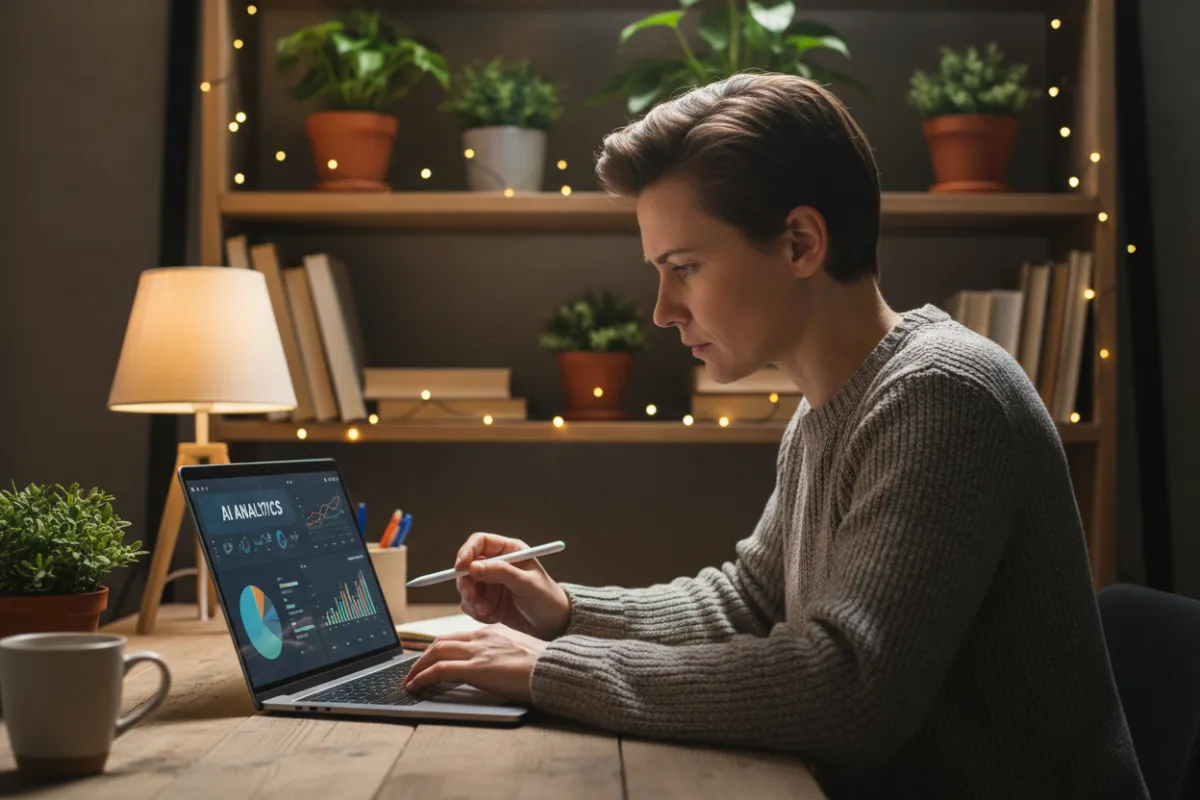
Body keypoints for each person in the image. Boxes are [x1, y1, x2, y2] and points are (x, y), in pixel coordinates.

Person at [403, 72, 1149, 798]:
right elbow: (747, 604)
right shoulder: (832, 404)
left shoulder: (941, 397)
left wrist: (548, 669)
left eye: (685, 268)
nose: (662, 310)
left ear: (800, 243)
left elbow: (847, 688)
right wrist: (563, 611)